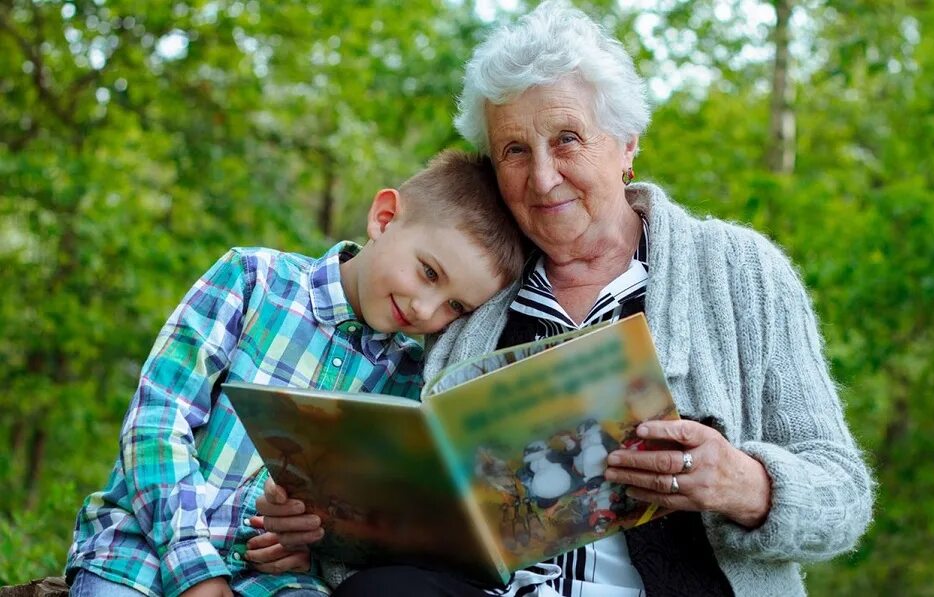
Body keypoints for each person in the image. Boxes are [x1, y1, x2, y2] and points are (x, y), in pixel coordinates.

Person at [255, 2, 876, 596]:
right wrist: (321, 529)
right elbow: (405, 505)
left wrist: (747, 484)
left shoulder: (739, 270)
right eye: (515, 151)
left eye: (568, 139)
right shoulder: (466, 296)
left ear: (627, 144)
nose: (544, 177)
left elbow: (843, 496)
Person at [64, 150, 526, 597]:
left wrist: (308, 545)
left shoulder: (408, 384)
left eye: (455, 306)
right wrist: (194, 567)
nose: (426, 309)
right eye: (428, 272)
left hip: (273, 580)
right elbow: (157, 422)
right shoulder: (252, 280)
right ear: (384, 219)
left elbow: (355, 523)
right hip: (141, 553)